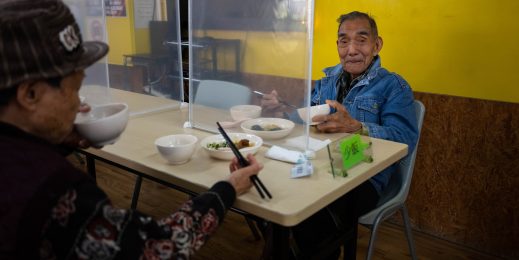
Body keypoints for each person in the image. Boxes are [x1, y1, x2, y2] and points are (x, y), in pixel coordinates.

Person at [0, 0, 263, 259]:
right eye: (75, 90)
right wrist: (227, 189)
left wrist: (57, 142)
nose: (81, 105)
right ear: (30, 94)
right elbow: (159, 246)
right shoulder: (57, 195)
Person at [261, 11, 418, 258]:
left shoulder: (394, 86)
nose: (352, 50)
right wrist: (282, 110)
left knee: (310, 213)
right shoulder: (326, 82)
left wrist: (358, 127)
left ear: (376, 45)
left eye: (361, 40)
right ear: (337, 45)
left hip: (364, 174)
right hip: (322, 163)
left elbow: (405, 138)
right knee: (277, 192)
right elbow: (306, 119)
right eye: (344, 41)